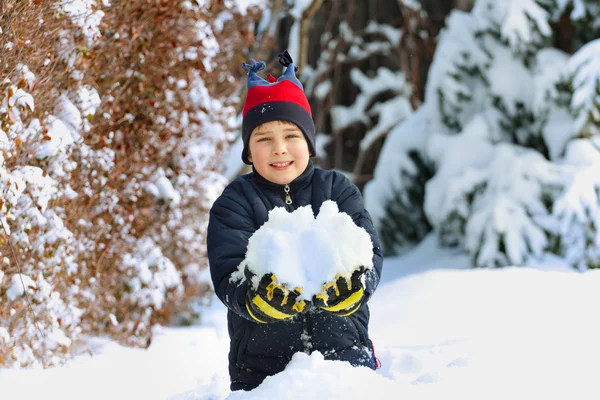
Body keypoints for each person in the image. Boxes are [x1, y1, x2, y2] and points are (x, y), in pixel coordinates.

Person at [207, 50, 383, 392]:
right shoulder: (234, 203)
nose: (279, 149)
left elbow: (370, 252)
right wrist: (255, 298)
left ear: (308, 142)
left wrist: (357, 284)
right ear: (248, 150)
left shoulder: (337, 190)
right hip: (262, 372)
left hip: (343, 361)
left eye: (291, 136)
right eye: (263, 139)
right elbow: (227, 273)